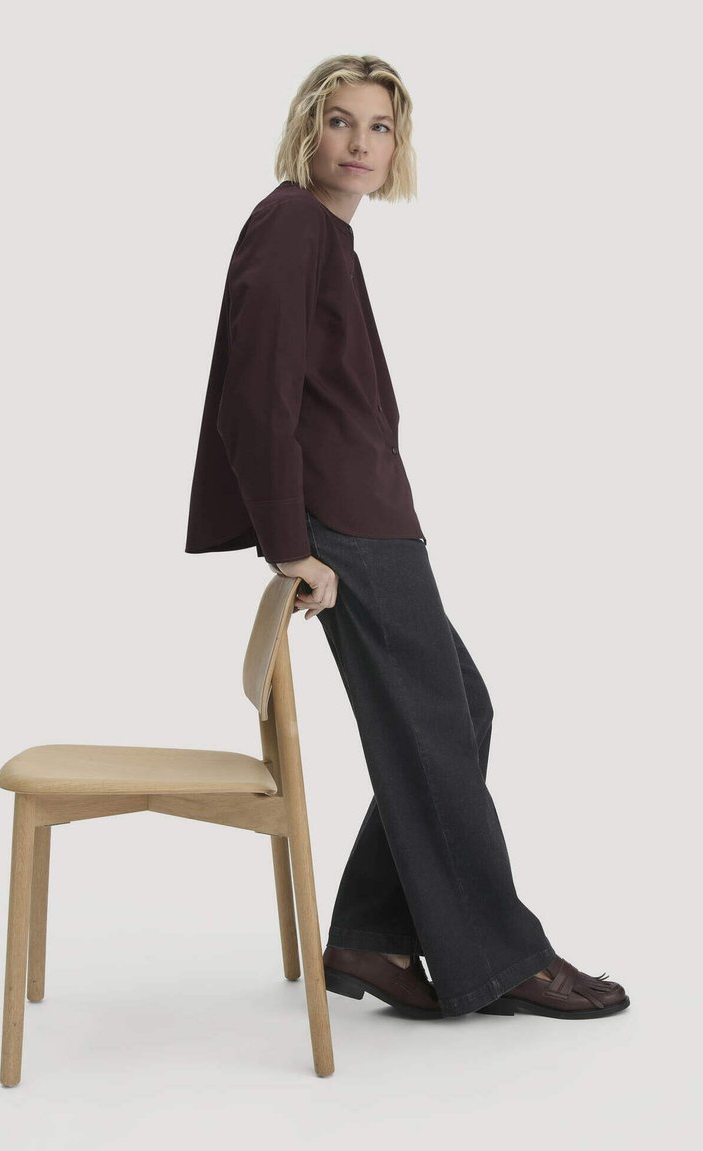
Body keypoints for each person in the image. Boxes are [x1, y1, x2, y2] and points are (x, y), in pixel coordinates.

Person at [185, 53, 629, 1020]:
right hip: (343, 526)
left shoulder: (326, 236)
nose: (360, 142)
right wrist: (290, 544)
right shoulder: (293, 223)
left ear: (398, 145)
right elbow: (254, 397)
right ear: (308, 130)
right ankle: (502, 958)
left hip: (371, 515)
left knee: (458, 711)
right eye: (340, 121)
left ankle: (372, 935)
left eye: (379, 126)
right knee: (439, 723)